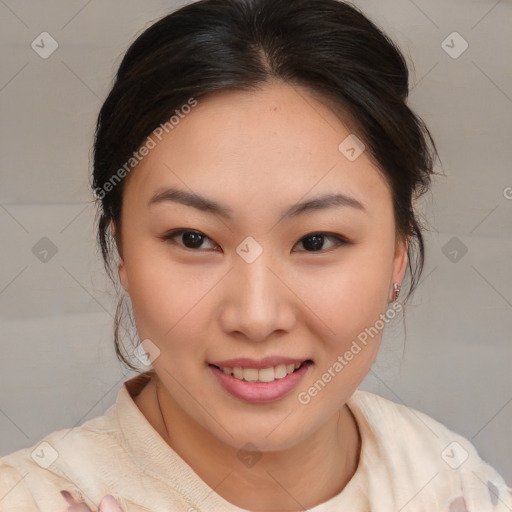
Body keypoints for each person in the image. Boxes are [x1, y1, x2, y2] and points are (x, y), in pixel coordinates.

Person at [1, 0, 510, 511]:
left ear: (398, 254)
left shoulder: (453, 486)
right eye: (193, 239)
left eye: (316, 241)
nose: (257, 317)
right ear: (123, 253)